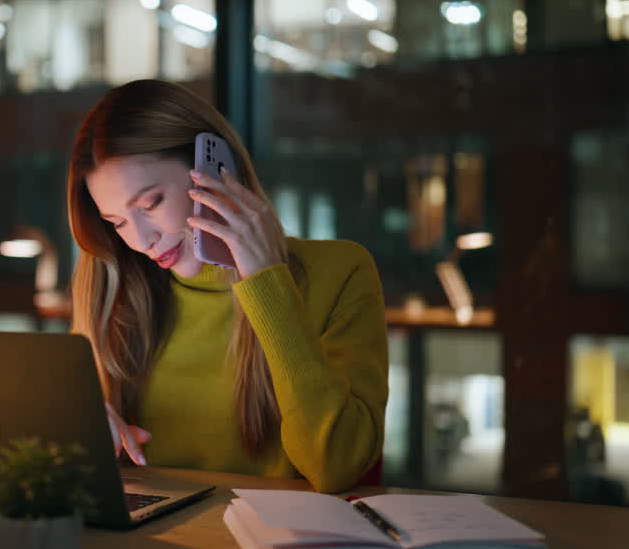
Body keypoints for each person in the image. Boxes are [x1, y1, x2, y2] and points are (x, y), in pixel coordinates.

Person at [66, 79, 388, 493]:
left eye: (150, 204)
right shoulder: (113, 287)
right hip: (151, 545)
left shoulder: (340, 272)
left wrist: (265, 282)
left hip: (279, 545)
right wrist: (79, 431)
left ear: (218, 170)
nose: (140, 241)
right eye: (117, 222)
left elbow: (337, 465)